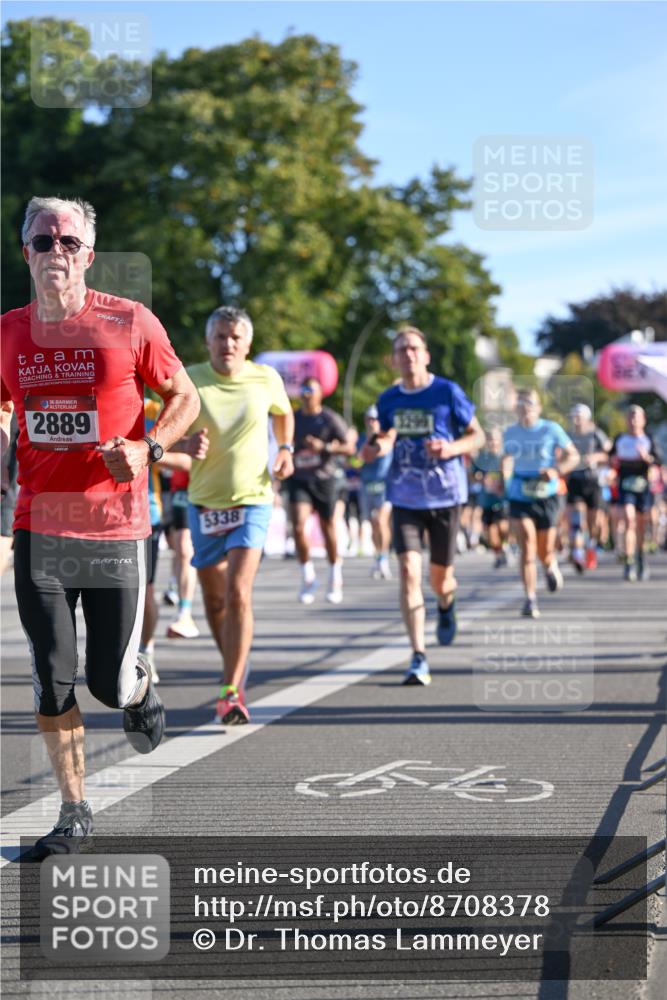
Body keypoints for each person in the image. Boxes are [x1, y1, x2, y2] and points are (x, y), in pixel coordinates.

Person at [0, 195, 200, 858]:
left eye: (67, 241)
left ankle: (139, 683)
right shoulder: (8, 333)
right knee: (53, 675)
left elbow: (184, 397)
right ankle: (74, 809)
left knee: (106, 686)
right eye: (41, 240)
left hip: (115, 527)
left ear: (88, 254)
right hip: (40, 527)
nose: (54, 251)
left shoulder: (130, 322)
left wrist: (150, 448)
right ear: (23, 251)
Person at [179, 306, 294, 724]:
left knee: (238, 592)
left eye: (235, 338)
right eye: (220, 337)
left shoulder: (266, 378)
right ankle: (234, 662)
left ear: (247, 344)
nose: (227, 344)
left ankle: (230, 690)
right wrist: (183, 447)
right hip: (204, 501)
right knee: (213, 600)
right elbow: (159, 429)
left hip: (253, 499)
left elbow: (283, 414)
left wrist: (285, 449)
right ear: (208, 342)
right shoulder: (188, 378)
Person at [361, 325, 484, 686]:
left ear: (426, 354)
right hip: (404, 496)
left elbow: (476, 435)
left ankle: (447, 604)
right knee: (409, 572)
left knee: (440, 579)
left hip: (445, 496)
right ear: (394, 359)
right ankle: (418, 656)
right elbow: (381, 440)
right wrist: (374, 448)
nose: (408, 354)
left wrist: (451, 449)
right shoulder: (388, 400)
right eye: (401, 349)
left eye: (414, 347)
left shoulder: (447, 392)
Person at [501, 388, 579, 618]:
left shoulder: (551, 429)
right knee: (527, 548)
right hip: (520, 492)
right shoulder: (510, 432)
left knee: (545, 550)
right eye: (522, 404)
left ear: (538, 408)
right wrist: (505, 482)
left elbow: (573, 456)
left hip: (547, 493)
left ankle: (549, 565)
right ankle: (530, 598)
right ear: (516, 408)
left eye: (530, 404)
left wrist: (556, 470)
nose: (526, 408)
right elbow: (505, 458)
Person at [288, 377, 355, 605]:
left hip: (324, 479)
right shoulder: (293, 418)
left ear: (320, 394)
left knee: (328, 529)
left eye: (311, 390)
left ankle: (335, 574)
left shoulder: (329, 419)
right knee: (298, 525)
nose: (306, 394)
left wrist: (324, 447)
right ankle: (308, 576)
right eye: (304, 389)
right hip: (299, 479)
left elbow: (349, 448)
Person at [140, 398, 194, 683]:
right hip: (90, 510)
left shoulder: (154, 411)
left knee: (144, 591)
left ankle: (146, 651)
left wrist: (146, 452)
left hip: (144, 513)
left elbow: (187, 459)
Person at [610, 405, 660, 582]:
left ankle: (640, 557)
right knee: (628, 519)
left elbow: (658, 461)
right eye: (630, 416)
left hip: (643, 486)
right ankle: (629, 561)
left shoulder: (649, 439)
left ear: (643, 419)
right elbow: (611, 458)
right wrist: (613, 462)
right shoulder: (620, 439)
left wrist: (647, 458)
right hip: (626, 485)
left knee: (640, 525)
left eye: (636, 417)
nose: (633, 420)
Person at [565, 404, 610, 572]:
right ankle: (577, 552)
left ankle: (590, 546)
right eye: (573, 416)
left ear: (587, 418)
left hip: (593, 481)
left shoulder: (596, 434)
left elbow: (608, 454)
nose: (576, 420)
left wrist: (595, 457)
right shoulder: (568, 435)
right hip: (575, 480)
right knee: (576, 516)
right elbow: (560, 453)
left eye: (579, 416)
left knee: (594, 522)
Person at [359, 405, 393, 579]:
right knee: (373, 524)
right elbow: (355, 461)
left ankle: (384, 556)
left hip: (384, 485)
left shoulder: (386, 438)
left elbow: (383, 451)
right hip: (366, 485)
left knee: (381, 521)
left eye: (375, 419)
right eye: (369, 419)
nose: (372, 422)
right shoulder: (361, 438)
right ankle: (378, 556)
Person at [472, 427, 510, 568]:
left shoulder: (505, 456)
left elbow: (511, 475)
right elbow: (472, 476)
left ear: (500, 441)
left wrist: (504, 478)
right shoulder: (481, 458)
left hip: (503, 499)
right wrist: (480, 478)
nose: (492, 442)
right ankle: (499, 554)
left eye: (495, 439)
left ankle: (505, 545)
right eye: (490, 440)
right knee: (491, 531)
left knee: (503, 527)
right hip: (486, 500)